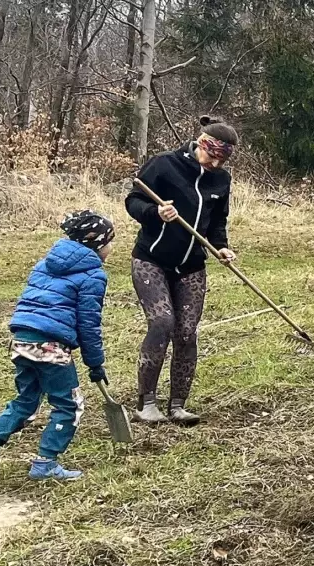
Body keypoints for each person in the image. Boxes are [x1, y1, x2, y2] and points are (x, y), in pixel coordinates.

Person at [0, 210, 114, 481]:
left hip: (21, 338)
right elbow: (89, 324)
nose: (111, 248)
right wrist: (95, 363)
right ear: (97, 243)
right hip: (50, 345)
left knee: (26, 400)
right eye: (109, 241)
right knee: (68, 405)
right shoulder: (93, 275)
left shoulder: (44, 263)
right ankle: (45, 464)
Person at [125, 115, 239, 425]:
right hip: (151, 260)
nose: (214, 163)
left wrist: (222, 246)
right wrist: (156, 212)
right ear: (201, 144)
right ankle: (146, 403)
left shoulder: (221, 180)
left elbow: (217, 221)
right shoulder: (164, 164)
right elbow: (133, 201)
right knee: (162, 323)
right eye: (211, 155)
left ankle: (178, 405)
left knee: (187, 333)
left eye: (221, 159)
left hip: (191, 265)